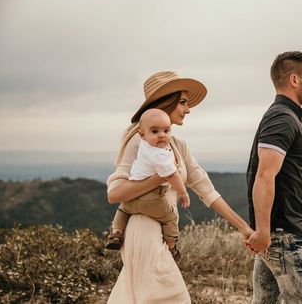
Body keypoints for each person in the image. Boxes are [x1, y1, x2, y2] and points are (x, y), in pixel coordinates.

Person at [106, 71, 253, 304]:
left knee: (140, 297)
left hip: (160, 234)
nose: (188, 109)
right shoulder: (139, 139)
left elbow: (206, 190)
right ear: (166, 103)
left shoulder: (178, 146)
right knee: (170, 298)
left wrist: (244, 228)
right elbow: (114, 194)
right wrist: (160, 177)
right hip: (142, 231)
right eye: (183, 102)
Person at [245, 51, 302, 304]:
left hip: (282, 233)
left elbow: (286, 179)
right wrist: (264, 232)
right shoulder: (282, 118)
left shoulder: (288, 116)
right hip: (286, 239)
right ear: (294, 79)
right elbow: (264, 177)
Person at [105, 108, 190, 258]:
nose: (162, 135)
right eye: (155, 131)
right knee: (170, 219)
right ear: (142, 134)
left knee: (123, 211)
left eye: (166, 131)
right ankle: (171, 247)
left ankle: (116, 233)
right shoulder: (160, 154)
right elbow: (172, 175)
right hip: (152, 199)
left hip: (131, 198)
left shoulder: (144, 145)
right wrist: (182, 192)